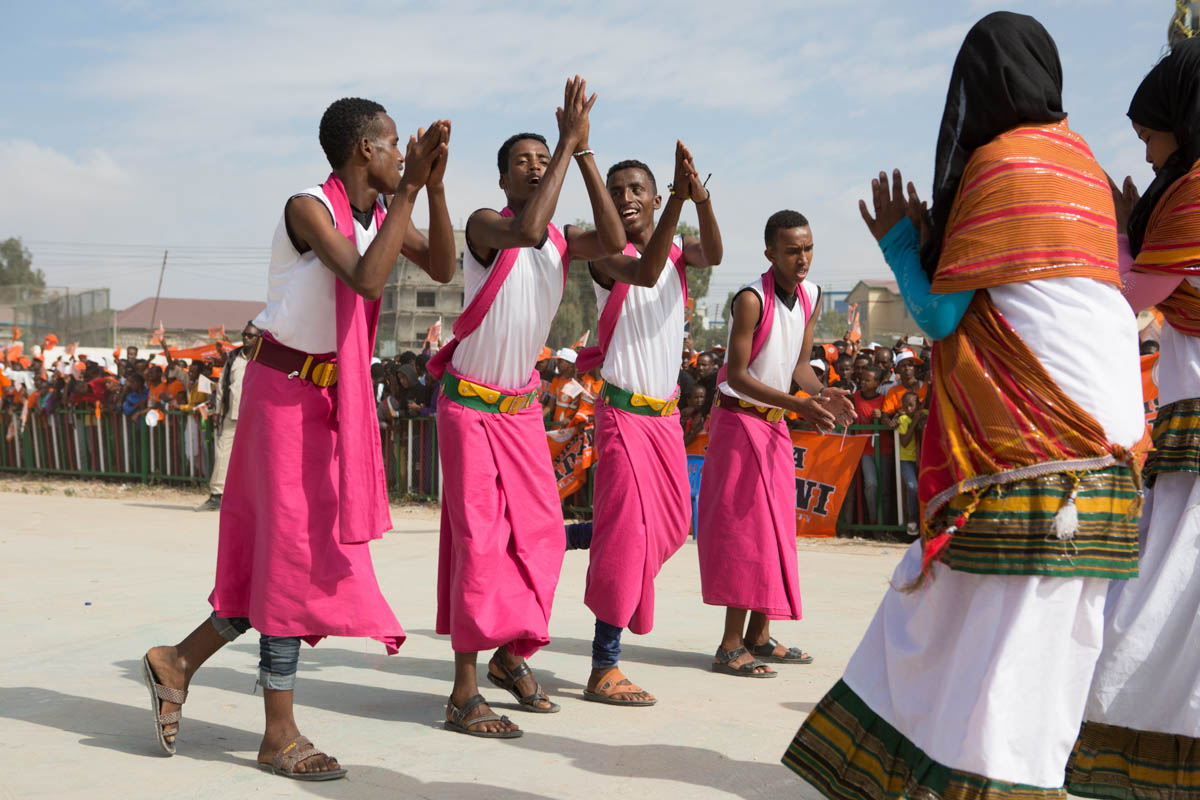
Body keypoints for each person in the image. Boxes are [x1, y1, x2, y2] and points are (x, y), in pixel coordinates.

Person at [784, 14, 1146, 800]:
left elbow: (943, 317)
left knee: (965, 630)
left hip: (1034, 448)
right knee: (1040, 644)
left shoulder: (998, 162)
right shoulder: (1083, 163)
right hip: (1112, 452)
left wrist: (900, 244)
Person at [141, 98, 455, 780]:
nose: (400, 153)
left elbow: (443, 266)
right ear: (365, 149)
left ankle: (177, 661)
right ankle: (278, 734)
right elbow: (367, 277)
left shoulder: (382, 213)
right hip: (283, 394)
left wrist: (430, 188)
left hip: (330, 401)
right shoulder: (307, 208)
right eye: (393, 144)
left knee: (288, 561)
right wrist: (408, 191)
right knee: (288, 560)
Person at [428, 76, 625, 739]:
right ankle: (462, 692)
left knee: (542, 539)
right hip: (468, 408)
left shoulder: (564, 241)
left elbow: (615, 238)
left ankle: (510, 656)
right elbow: (530, 226)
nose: (537, 166)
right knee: (478, 545)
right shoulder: (488, 225)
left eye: (544, 158)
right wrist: (567, 142)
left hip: (518, 412)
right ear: (503, 177)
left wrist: (585, 151)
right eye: (524, 161)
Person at [1068, 37, 1200, 799]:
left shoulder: (1193, 194)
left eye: (1151, 135)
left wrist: (1117, 234)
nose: (1146, 154)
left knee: (1158, 600)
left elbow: (1126, 301)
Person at [573, 141, 721, 705]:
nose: (625, 198)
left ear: (656, 199)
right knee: (628, 538)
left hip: (664, 421)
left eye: (637, 189)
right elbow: (648, 269)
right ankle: (604, 665)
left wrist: (699, 198)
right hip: (623, 416)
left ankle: (556, 536)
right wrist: (680, 201)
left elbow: (715, 251)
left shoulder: (679, 251)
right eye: (615, 192)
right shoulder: (606, 257)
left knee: (672, 525)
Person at [697, 209, 853, 678]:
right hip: (739, 422)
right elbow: (739, 376)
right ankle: (729, 646)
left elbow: (799, 365)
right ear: (770, 253)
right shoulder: (751, 299)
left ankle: (758, 636)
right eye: (791, 251)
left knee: (777, 530)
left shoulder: (811, 295)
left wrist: (820, 392)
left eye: (807, 248)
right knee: (745, 533)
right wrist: (799, 404)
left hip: (774, 423)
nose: (802, 258)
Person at [197, 324, 259, 512]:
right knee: (223, 453)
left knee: (256, 456)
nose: (246, 338)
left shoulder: (264, 358)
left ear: (259, 338)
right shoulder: (233, 357)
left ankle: (254, 498)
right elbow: (223, 385)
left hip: (256, 417)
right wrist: (218, 411)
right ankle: (216, 495)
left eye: (250, 335)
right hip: (232, 414)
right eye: (244, 334)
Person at [851, 364, 891, 525]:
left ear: (877, 383)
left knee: (885, 489)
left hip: (884, 449)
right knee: (871, 485)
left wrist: (882, 416)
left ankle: (884, 524)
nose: (863, 382)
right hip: (865, 449)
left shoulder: (884, 400)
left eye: (868, 380)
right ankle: (874, 520)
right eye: (862, 379)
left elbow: (889, 418)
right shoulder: (855, 397)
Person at [894, 390, 924, 535]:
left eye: (912, 405)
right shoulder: (903, 419)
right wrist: (915, 422)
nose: (909, 409)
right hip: (907, 460)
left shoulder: (924, 413)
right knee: (912, 487)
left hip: (923, 459)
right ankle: (912, 519)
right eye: (905, 406)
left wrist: (920, 418)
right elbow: (904, 442)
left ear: (918, 405)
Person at [547, 347, 585, 428]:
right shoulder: (556, 380)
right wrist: (538, 416)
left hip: (571, 428)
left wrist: (570, 418)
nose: (557, 363)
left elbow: (581, 408)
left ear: (569, 364)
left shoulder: (579, 383)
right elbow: (550, 406)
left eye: (560, 361)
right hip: (555, 427)